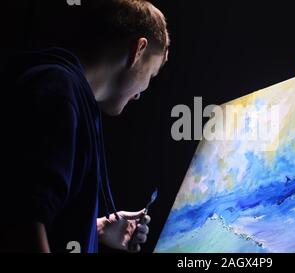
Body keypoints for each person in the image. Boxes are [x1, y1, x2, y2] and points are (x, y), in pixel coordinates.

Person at [0, 0, 169, 253]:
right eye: (151, 75)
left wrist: (96, 229)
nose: (141, 93)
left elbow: (40, 205)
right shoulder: (57, 89)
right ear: (138, 50)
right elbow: (20, 221)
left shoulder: (72, 97)